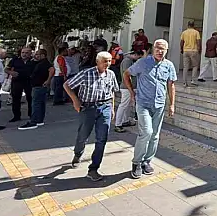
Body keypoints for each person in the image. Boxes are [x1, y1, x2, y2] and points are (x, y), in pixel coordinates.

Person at [123, 39, 176, 179]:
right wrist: (132, 93)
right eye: (157, 48)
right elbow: (126, 74)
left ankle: (147, 161)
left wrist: (172, 104)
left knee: (155, 135)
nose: (160, 51)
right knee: (146, 132)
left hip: (159, 104)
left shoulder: (169, 65)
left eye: (163, 49)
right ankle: (137, 162)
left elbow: (171, 85)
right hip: (143, 103)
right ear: (153, 49)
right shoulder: (143, 62)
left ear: (167, 50)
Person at [63, 52, 118, 182]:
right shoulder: (86, 73)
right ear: (97, 62)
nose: (107, 64)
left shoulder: (111, 74)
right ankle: (78, 153)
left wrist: (112, 108)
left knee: (102, 139)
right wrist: (75, 100)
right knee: (83, 135)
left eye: (109, 61)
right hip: (88, 108)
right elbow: (67, 85)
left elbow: (112, 92)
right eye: (105, 61)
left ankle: (93, 169)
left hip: (105, 107)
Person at [18, 49, 54, 130]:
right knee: (40, 103)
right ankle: (39, 120)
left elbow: (51, 70)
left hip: (39, 85)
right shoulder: (39, 63)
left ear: (42, 55)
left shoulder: (44, 63)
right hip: (38, 85)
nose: (36, 56)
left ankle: (33, 121)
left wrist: (48, 80)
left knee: (36, 104)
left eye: (38, 54)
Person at [114, 50, 143, 133]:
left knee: (127, 105)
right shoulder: (127, 61)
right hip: (127, 87)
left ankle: (125, 120)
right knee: (123, 105)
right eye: (138, 57)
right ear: (135, 54)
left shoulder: (129, 61)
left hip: (129, 87)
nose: (138, 59)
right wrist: (131, 89)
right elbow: (127, 75)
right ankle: (118, 124)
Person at [7, 47, 35, 122]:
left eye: (26, 53)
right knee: (16, 99)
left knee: (30, 98)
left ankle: (31, 114)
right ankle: (16, 116)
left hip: (29, 81)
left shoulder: (33, 61)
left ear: (30, 53)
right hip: (17, 81)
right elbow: (6, 69)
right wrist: (11, 72)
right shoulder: (15, 60)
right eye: (23, 52)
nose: (24, 54)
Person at [180, 21, 201, 87]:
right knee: (195, 66)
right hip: (194, 50)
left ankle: (184, 82)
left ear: (188, 25)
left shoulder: (184, 32)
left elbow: (181, 42)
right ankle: (193, 80)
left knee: (185, 67)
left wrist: (181, 49)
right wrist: (199, 50)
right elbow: (198, 42)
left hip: (186, 51)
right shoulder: (196, 32)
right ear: (193, 25)